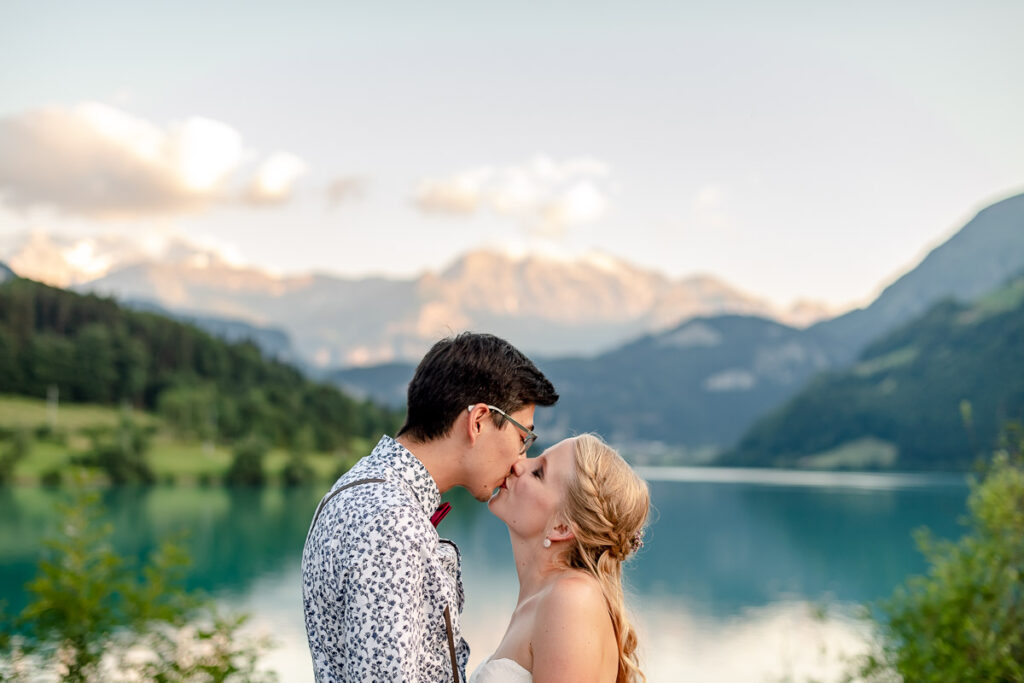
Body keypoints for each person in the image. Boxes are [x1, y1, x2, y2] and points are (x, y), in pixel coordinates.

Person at [302, 332, 559, 682]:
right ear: (478, 421)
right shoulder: (390, 522)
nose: (520, 460)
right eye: (522, 437)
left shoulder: (365, 490)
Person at [470, 433, 650, 683]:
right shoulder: (544, 598)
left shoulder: (571, 600)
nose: (519, 464)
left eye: (538, 473)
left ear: (562, 527)